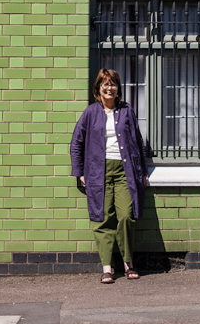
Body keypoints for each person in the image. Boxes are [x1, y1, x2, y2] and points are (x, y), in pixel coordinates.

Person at [70, 69, 149, 283]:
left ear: (118, 88)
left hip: (125, 171)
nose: (109, 87)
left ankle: (128, 263)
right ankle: (107, 267)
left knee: (125, 216)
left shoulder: (127, 111)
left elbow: (139, 142)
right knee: (103, 218)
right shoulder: (90, 113)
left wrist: (142, 171)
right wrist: (79, 172)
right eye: (105, 84)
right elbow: (76, 143)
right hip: (98, 171)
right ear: (98, 88)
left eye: (113, 83)